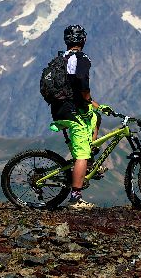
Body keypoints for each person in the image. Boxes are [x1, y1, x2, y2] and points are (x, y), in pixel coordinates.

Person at [50, 24, 110, 209]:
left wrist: (97, 106)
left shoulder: (61, 58)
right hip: (72, 112)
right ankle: (75, 199)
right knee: (81, 155)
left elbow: (71, 89)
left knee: (95, 117)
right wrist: (87, 99)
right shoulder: (81, 58)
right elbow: (82, 85)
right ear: (83, 40)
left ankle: (89, 159)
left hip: (60, 109)